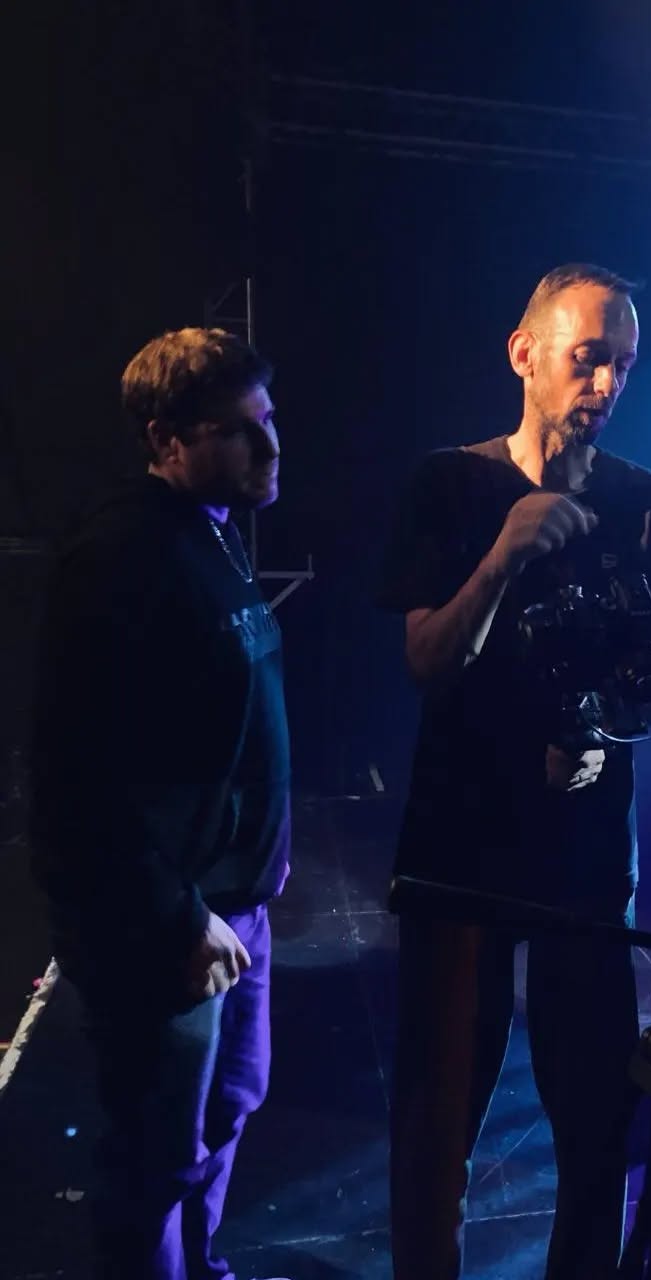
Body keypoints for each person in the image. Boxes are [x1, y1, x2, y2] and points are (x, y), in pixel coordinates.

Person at [378, 263, 651, 1279]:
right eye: (587, 358)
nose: (605, 384)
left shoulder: (650, 504)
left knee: (595, 1119)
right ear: (525, 354)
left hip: (585, 863)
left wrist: (607, 729)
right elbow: (426, 659)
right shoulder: (451, 484)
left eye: (623, 365)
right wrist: (504, 555)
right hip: (461, 850)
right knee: (437, 1120)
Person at [30, 328, 292, 1280]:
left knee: (225, 1110)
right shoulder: (120, 556)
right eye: (239, 430)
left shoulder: (211, 531)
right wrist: (180, 916)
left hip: (233, 909)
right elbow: (75, 776)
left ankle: (202, 1266)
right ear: (166, 438)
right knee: (154, 1157)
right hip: (170, 930)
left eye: (269, 419)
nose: (270, 446)